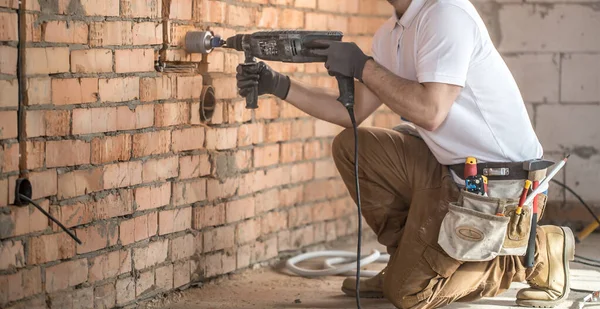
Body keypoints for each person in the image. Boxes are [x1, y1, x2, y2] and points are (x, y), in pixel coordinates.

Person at [236, 0, 575, 307]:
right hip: (446, 167)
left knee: (409, 294)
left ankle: (535, 252)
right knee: (354, 147)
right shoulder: (389, 34)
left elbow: (430, 111)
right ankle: (404, 260)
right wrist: (278, 85)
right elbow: (348, 113)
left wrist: (363, 66)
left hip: (502, 185)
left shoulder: (446, 14)